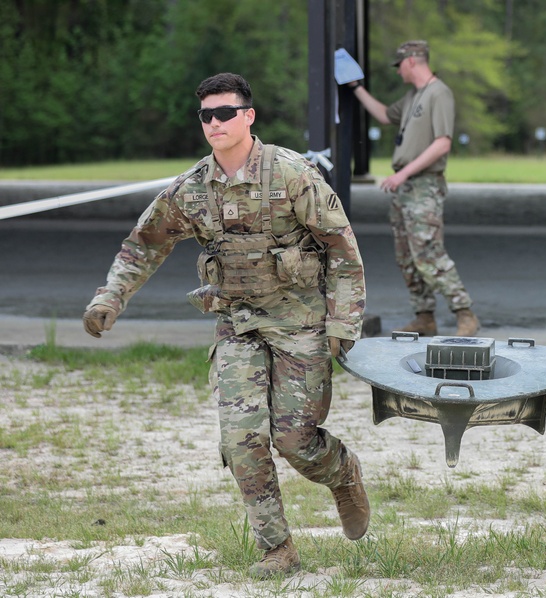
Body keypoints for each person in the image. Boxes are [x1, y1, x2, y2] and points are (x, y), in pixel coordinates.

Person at [82, 73, 370, 579]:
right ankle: (277, 550)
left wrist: (343, 323)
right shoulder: (193, 188)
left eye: (225, 113)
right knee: (241, 441)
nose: (215, 123)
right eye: (206, 116)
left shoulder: (291, 173)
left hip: (299, 323)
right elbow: (144, 244)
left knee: (295, 441)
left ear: (248, 117)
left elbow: (342, 250)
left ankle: (343, 474)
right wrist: (110, 297)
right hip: (237, 323)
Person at [348, 40, 480, 337]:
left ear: (410, 62)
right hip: (406, 188)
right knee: (406, 255)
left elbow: (442, 142)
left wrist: (403, 173)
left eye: (399, 66)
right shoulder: (412, 97)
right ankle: (424, 316)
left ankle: (465, 314)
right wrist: (356, 87)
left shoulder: (439, 93)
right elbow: (383, 115)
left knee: (429, 254)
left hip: (423, 186)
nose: (397, 73)